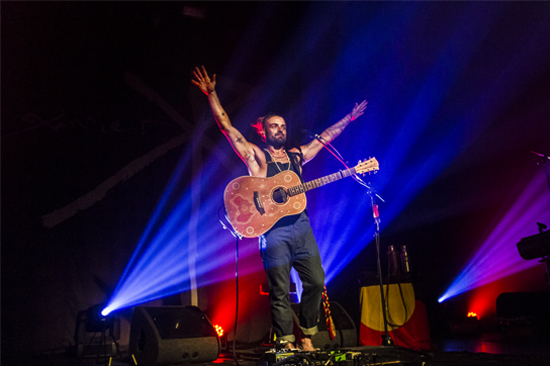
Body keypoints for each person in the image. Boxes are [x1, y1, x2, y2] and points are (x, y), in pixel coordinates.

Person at [192, 66, 367, 351]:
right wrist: (212, 94)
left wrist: (348, 118)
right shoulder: (257, 157)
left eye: (283, 126)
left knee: (316, 280)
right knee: (280, 290)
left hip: (301, 227)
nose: (280, 129)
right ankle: (286, 341)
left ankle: (307, 334)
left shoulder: (297, 156)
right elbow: (228, 128)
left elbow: (325, 137)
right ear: (264, 131)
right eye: (275, 126)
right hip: (272, 231)